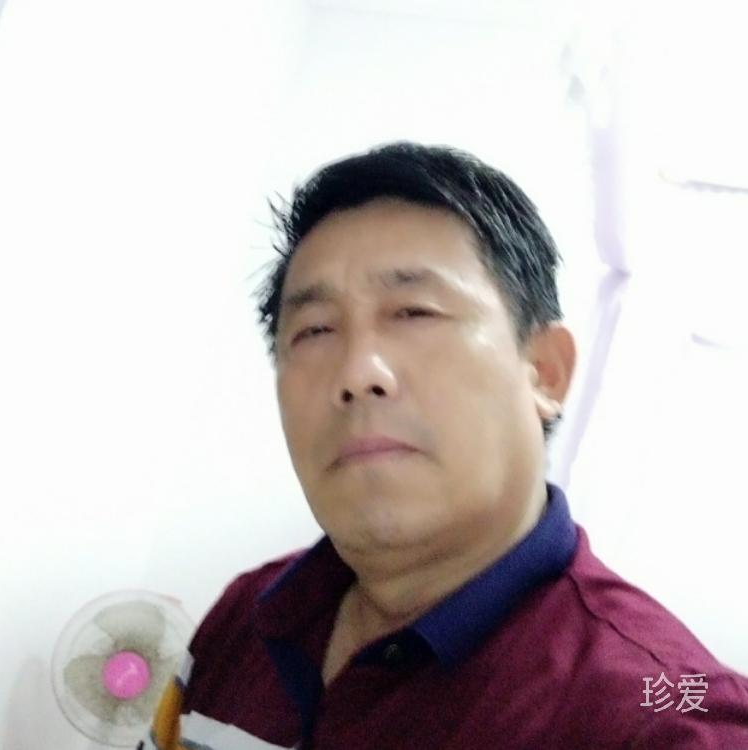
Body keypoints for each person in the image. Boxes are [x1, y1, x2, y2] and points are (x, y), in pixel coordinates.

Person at [138, 142, 748, 749]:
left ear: (544, 371)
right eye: (315, 330)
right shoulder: (249, 612)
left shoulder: (665, 722)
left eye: (414, 313)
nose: (358, 371)